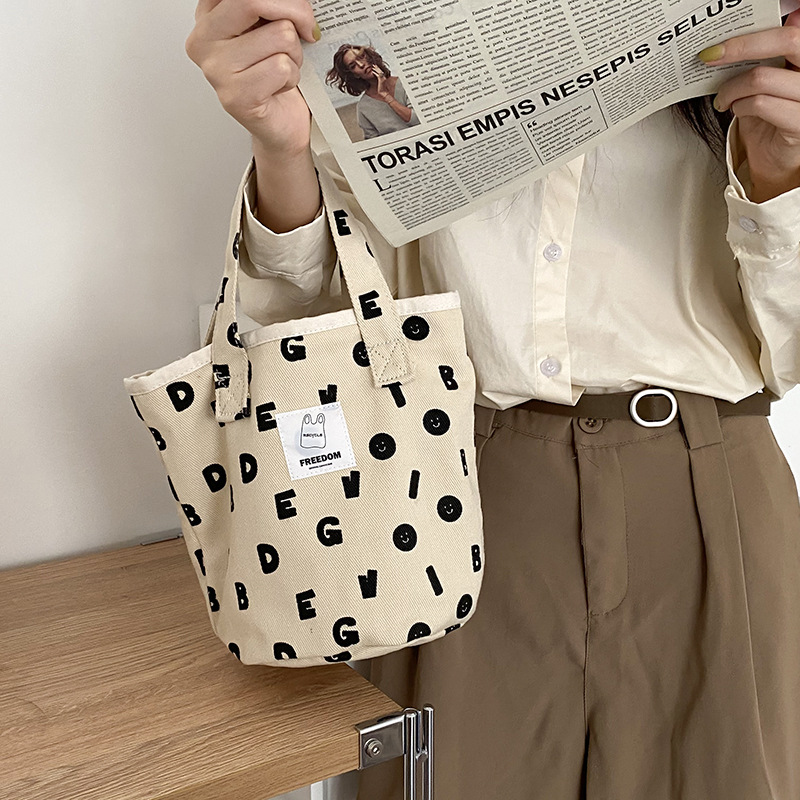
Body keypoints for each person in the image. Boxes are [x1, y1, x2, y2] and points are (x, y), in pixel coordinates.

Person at [185, 2, 800, 798]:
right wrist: (281, 149)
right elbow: (320, 332)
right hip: (452, 499)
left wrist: (780, 174)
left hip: (711, 500)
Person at [325, 44, 420, 140]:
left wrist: (386, 95)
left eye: (361, 57)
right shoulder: (363, 108)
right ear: (354, 75)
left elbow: (417, 120)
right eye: (353, 66)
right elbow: (373, 141)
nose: (361, 65)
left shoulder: (406, 82)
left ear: (370, 57)